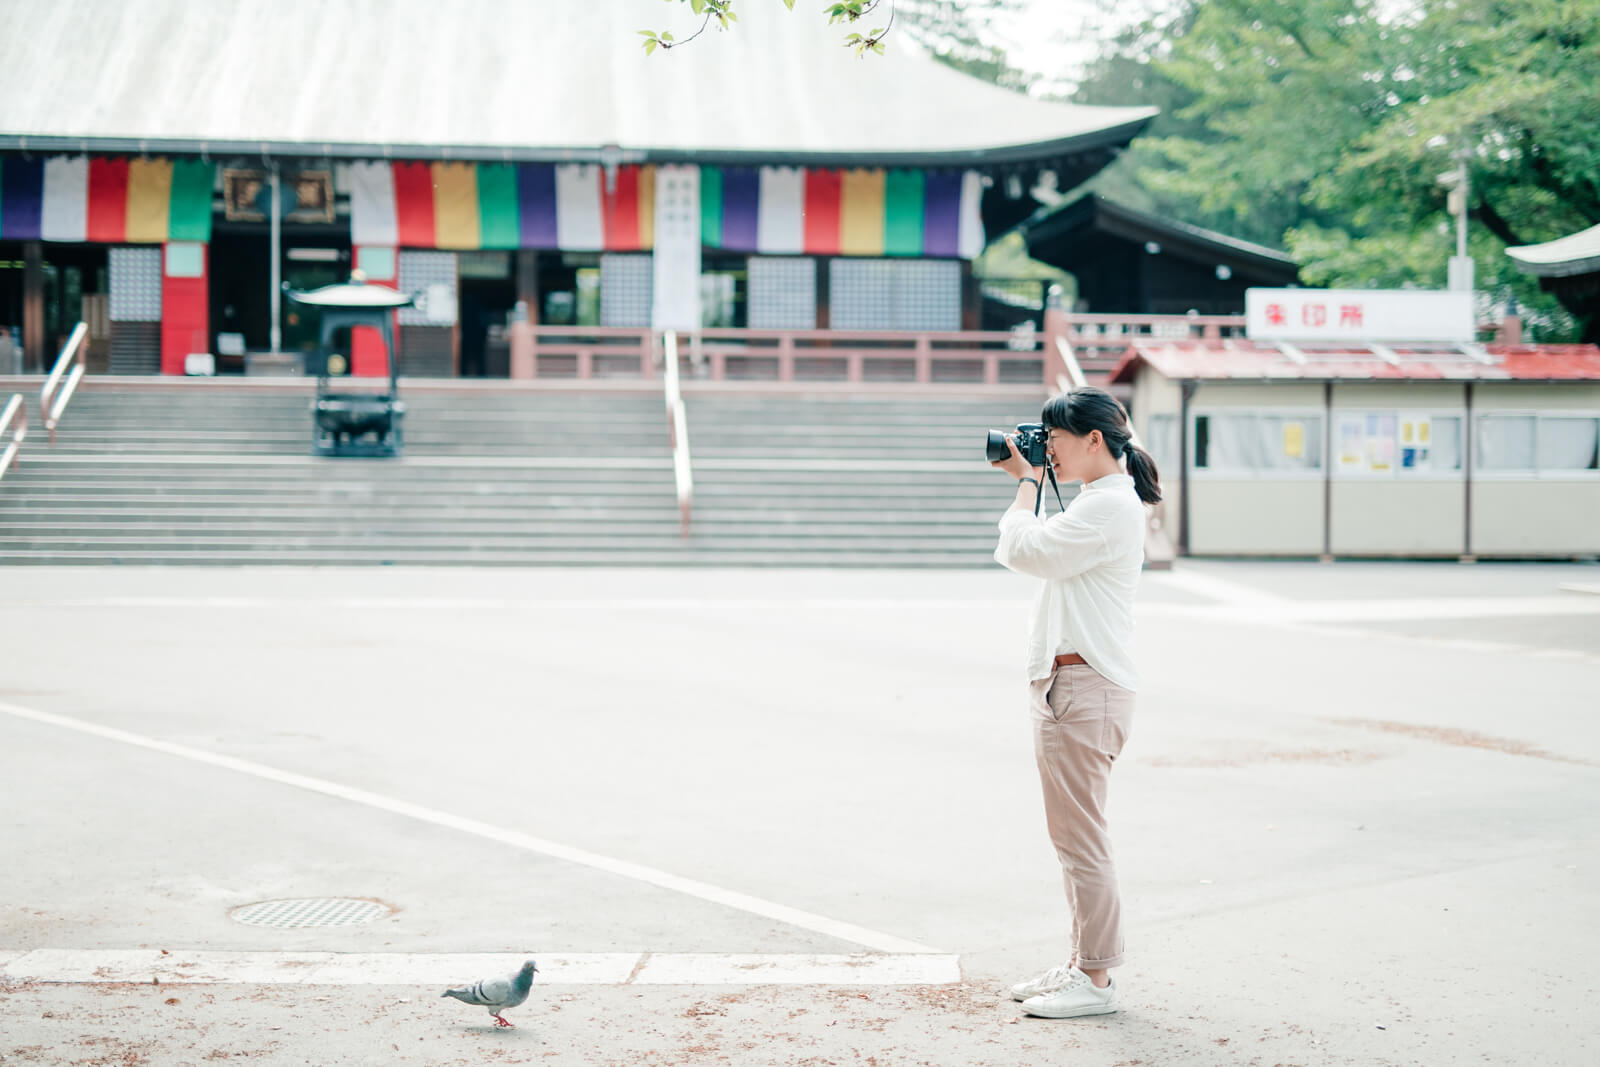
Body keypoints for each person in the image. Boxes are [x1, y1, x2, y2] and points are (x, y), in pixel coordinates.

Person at [990, 386, 1162, 1020]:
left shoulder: (1110, 507)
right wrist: (1037, 480)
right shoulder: (1099, 501)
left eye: (1055, 442)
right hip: (1075, 687)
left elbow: (1021, 551)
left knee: (1081, 841)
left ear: (1094, 441)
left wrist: (1027, 485)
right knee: (1072, 839)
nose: (1048, 452)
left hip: (1085, 689)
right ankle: (1082, 963)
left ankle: (1095, 979)